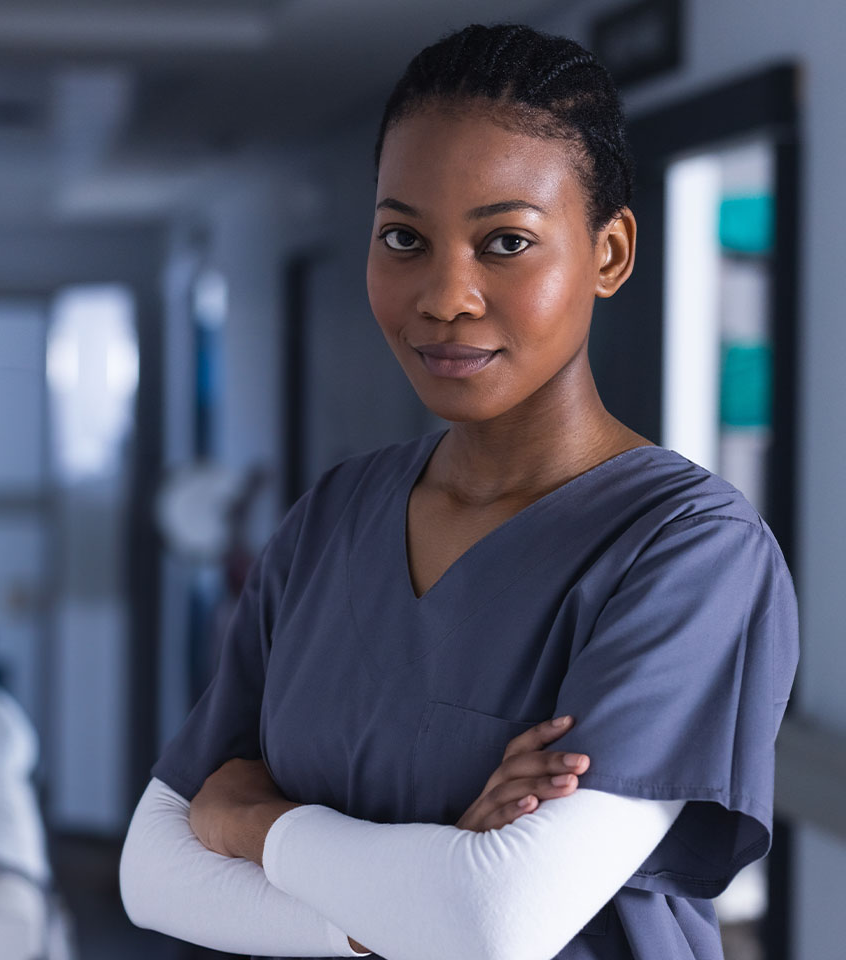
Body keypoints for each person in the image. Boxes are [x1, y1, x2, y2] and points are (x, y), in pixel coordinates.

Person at [120, 22, 799, 960]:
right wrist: (420, 886)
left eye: (506, 242)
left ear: (609, 254)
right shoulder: (331, 520)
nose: (444, 295)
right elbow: (150, 873)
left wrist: (253, 827)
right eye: (404, 237)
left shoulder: (687, 551)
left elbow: (494, 924)